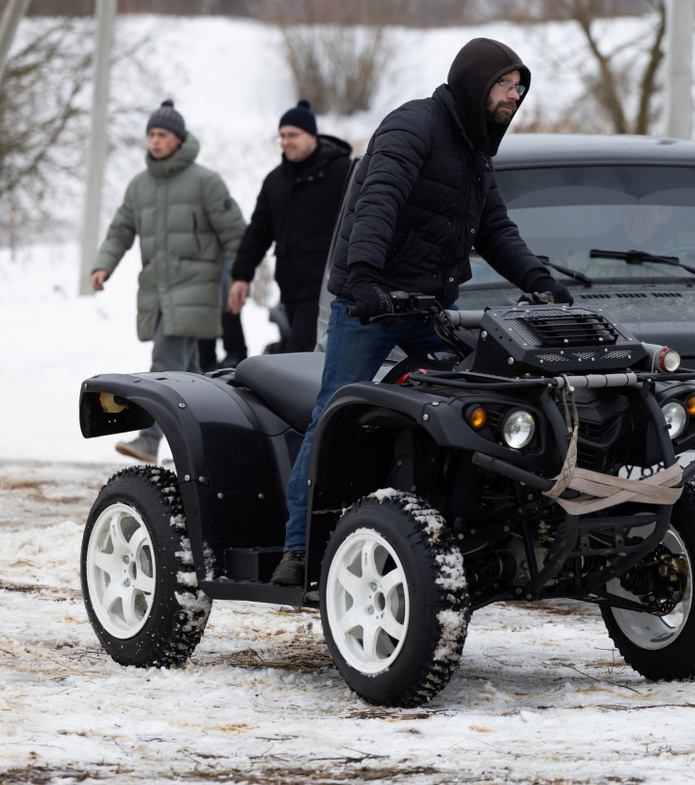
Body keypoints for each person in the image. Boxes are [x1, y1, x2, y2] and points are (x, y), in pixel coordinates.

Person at [270, 38, 574, 586]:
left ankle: (455, 528)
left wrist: (538, 279)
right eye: (505, 84)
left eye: (520, 87)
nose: (515, 95)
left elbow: (495, 229)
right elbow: (378, 200)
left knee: (468, 404)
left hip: (429, 308)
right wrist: (362, 278)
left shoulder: (477, 151)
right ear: (475, 84)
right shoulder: (413, 127)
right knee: (334, 411)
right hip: (371, 306)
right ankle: (297, 548)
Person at [91, 99, 246, 464]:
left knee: (164, 363)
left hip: (195, 289)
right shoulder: (138, 187)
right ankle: (211, 439)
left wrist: (240, 279)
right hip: (157, 292)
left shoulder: (205, 182)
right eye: (151, 135)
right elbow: (119, 232)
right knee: (189, 375)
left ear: (178, 139)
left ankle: (149, 438)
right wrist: (103, 265)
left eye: (162, 134)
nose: (155, 141)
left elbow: (236, 234)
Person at [226, 100, 353, 354]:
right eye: (282, 135)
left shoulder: (342, 173)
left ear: (312, 135)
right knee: (298, 355)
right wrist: (241, 276)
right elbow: (258, 233)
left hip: (329, 289)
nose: (285, 141)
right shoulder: (275, 181)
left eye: (292, 135)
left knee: (301, 355)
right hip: (290, 291)